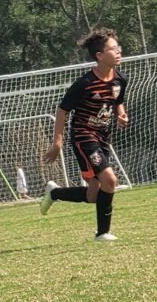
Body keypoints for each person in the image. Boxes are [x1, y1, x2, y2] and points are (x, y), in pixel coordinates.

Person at [41, 27, 129, 241]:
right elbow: (62, 110)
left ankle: (54, 193)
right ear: (99, 56)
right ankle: (102, 233)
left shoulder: (120, 79)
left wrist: (121, 114)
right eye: (113, 49)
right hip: (84, 137)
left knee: (93, 195)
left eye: (119, 48)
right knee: (110, 180)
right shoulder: (85, 84)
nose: (118, 52)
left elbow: (116, 101)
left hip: (103, 138)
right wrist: (57, 142)